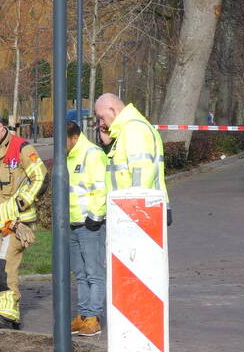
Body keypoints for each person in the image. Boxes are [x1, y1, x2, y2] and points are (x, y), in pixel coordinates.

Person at [0, 111, 47, 329]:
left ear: (1, 127)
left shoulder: (22, 148)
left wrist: (20, 203)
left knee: (4, 267)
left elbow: (40, 177)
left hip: (16, 223)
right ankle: (3, 311)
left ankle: (7, 314)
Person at [94, 92, 172, 225]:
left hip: (137, 214)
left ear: (112, 111)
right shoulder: (128, 129)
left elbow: (140, 177)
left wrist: (132, 216)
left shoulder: (133, 129)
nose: (101, 123)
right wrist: (108, 145)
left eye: (101, 117)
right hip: (138, 211)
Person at [65, 120, 107, 337]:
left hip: (89, 224)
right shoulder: (71, 156)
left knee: (94, 273)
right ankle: (83, 316)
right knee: (80, 274)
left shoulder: (92, 154)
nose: (61, 146)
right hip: (73, 222)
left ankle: (93, 317)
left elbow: (101, 188)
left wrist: (96, 217)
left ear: (73, 138)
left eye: (64, 141)